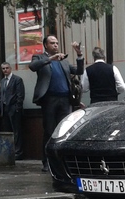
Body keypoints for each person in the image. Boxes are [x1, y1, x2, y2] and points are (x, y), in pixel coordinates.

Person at [29, 35, 84, 172]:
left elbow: (79, 71)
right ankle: (47, 161)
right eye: (52, 43)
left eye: (57, 43)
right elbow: (32, 67)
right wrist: (50, 59)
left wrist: (79, 54)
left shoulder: (63, 61)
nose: (55, 45)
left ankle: (61, 161)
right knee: (49, 131)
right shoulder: (40, 58)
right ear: (45, 45)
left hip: (65, 100)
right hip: (49, 99)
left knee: (64, 131)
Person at [0, 62, 25, 160]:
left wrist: (17, 108)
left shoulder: (17, 79)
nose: (5, 70)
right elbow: (1, 97)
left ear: (11, 68)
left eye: (7, 68)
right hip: (5, 109)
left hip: (14, 108)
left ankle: (18, 152)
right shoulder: (3, 81)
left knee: (17, 131)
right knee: (8, 131)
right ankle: (10, 151)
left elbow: (20, 95)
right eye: (3, 68)